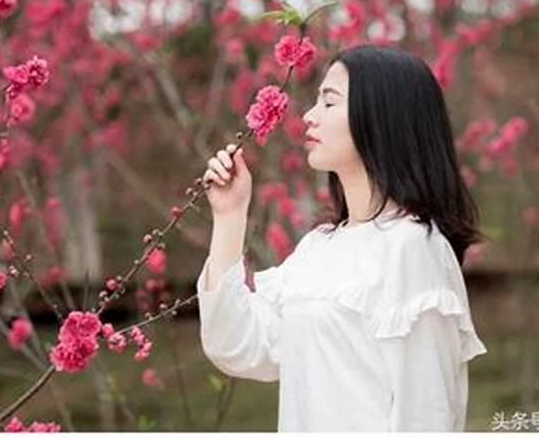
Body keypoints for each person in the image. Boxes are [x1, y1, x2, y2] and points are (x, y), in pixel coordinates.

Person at [197, 44, 488, 432]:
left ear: (380, 118)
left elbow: (426, 415)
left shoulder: (413, 248)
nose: (309, 116)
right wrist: (230, 216)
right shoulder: (319, 248)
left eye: (329, 103)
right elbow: (236, 346)